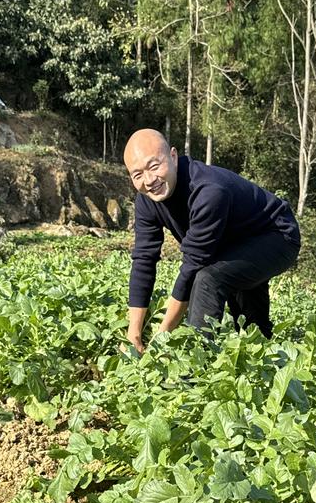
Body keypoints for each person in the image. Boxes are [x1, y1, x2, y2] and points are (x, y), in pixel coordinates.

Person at [124, 128, 301, 352]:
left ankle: (194, 368)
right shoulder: (146, 201)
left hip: (277, 235)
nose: (149, 180)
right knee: (250, 331)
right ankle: (263, 357)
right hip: (231, 242)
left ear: (173, 156)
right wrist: (134, 333)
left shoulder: (208, 190)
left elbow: (192, 266)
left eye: (154, 166)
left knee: (208, 278)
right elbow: (144, 260)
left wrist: (162, 335)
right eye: (137, 174)